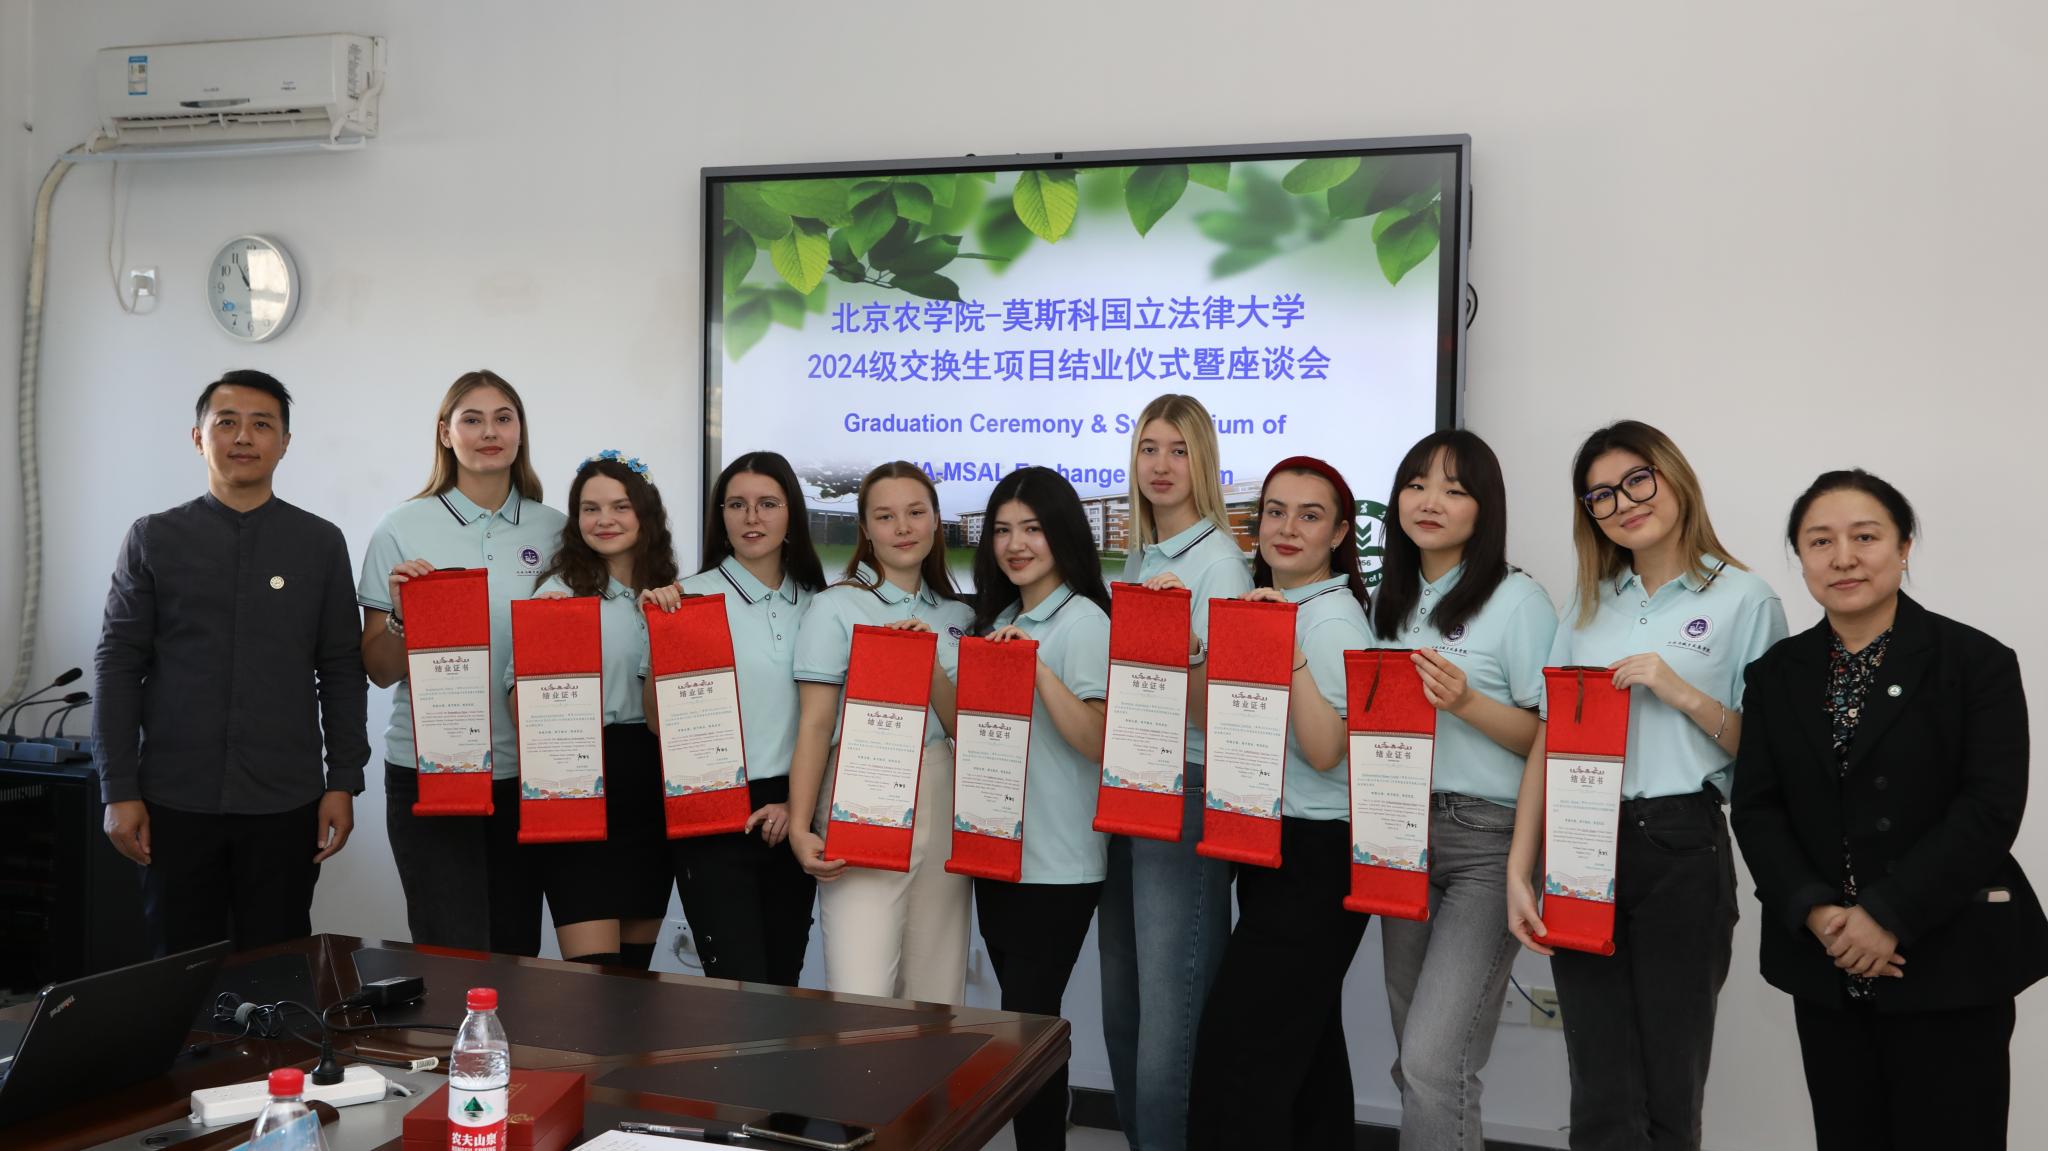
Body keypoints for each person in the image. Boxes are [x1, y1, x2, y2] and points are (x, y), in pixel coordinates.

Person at [1730, 469, 2045, 1150]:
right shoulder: (1776, 674)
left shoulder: (1977, 661)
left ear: (1903, 548)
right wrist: (1816, 911)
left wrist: (1887, 915)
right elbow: (1756, 808)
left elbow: (1990, 807)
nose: (1843, 557)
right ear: (1801, 558)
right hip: (1826, 961)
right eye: (1820, 541)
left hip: (1951, 957)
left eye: (1865, 537)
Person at [1505, 420, 1787, 1151]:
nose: (1623, 502)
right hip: (1581, 840)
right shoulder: (1588, 603)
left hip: (1681, 843)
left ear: (1673, 477)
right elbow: (1550, 737)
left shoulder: (1746, 598)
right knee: (1599, 1086)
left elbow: (1772, 754)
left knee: (1669, 1084)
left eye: (1637, 480)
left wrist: (1680, 690)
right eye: (1601, 495)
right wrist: (1519, 867)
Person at [95, 370, 368, 954]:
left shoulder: (319, 543)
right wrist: (117, 789)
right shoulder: (154, 538)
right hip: (172, 800)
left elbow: (341, 667)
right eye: (227, 422)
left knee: (277, 969)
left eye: (261, 424)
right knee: (178, 972)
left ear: (284, 443)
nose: (243, 436)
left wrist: (344, 780)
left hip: (285, 801)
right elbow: (117, 666)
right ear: (199, 437)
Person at [1371, 431, 1555, 1150]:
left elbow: (1552, 737)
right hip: (1398, 835)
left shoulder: (1518, 599)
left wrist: (1468, 703)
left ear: (1485, 508)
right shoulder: (1390, 598)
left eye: (1454, 489)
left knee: (1433, 1061)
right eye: (1417, 484)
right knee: (1420, 1064)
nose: (1430, 501)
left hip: (1487, 840)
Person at [1190, 456, 1373, 1150]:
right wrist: (1195, 646)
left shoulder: (1330, 622)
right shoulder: (1276, 606)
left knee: (1240, 1061)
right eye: (1275, 511)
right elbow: (1217, 720)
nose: (1287, 528)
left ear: (1340, 533)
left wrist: (1286, 647)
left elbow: (1326, 751)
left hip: (1316, 858)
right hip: (1275, 846)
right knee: (1306, 1058)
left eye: (1310, 515)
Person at [357, 370, 565, 955]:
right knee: (452, 956)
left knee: (516, 954)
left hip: (530, 773)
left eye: (503, 418)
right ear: (446, 434)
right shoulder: (401, 528)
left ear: (520, 432)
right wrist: (404, 616)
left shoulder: (557, 530)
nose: (489, 432)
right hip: (431, 773)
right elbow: (379, 669)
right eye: (472, 420)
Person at [1098, 394, 1249, 1151]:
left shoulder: (1218, 562)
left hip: (1185, 787)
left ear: (1204, 462)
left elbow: (1229, 708)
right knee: (1123, 1010)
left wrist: (1175, 648)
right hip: (1132, 783)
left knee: (1169, 1020)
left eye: (1179, 450)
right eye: (1149, 448)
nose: (1161, 465)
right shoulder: (1143, 556)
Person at [786, 462, 974, 1002]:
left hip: (942, 787)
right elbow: (815, 724)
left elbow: (963, 726)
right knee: (861, 992)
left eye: (916, 513)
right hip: (860, 791)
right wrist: (800, 826)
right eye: (886, 517)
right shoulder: (834, 607)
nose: (903, 527)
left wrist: (927, 661)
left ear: (936, 520)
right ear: (865, 529)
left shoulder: (958, 615)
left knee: (937, 992)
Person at [968, 468, 1114, 1150]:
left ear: (1063, 534)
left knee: (1028, 1025)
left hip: (1058, 862)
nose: (1015, 544)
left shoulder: (1084, 622)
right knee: (1025, 1024)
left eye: (1031, 528)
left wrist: (1038, 670)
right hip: (997, 852)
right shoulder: (1000, 621)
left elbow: (1098, 741)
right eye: (1002, 530)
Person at [646, 451, 826, 987]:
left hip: (794, 808)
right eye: (737, 505)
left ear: (792, 513)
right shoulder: (687, 600)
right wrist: (661, 637)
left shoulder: (824, 605)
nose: (752, 518)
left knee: (782, 983)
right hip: (711, 810)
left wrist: (796, 805)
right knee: (735, 989)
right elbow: (658, 723)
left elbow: (831, 725)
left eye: (768, 504)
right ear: (720, 515)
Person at [515, 452, 677, 969]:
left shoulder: (673, 593)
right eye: (590, 509)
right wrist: (547, 654)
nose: (604, 520)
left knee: (634, 972)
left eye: (620, 506)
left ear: (646, 513)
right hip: (579, 782)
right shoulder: (557, 597)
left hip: (653, 784)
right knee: (592, 976)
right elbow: (522, 712)